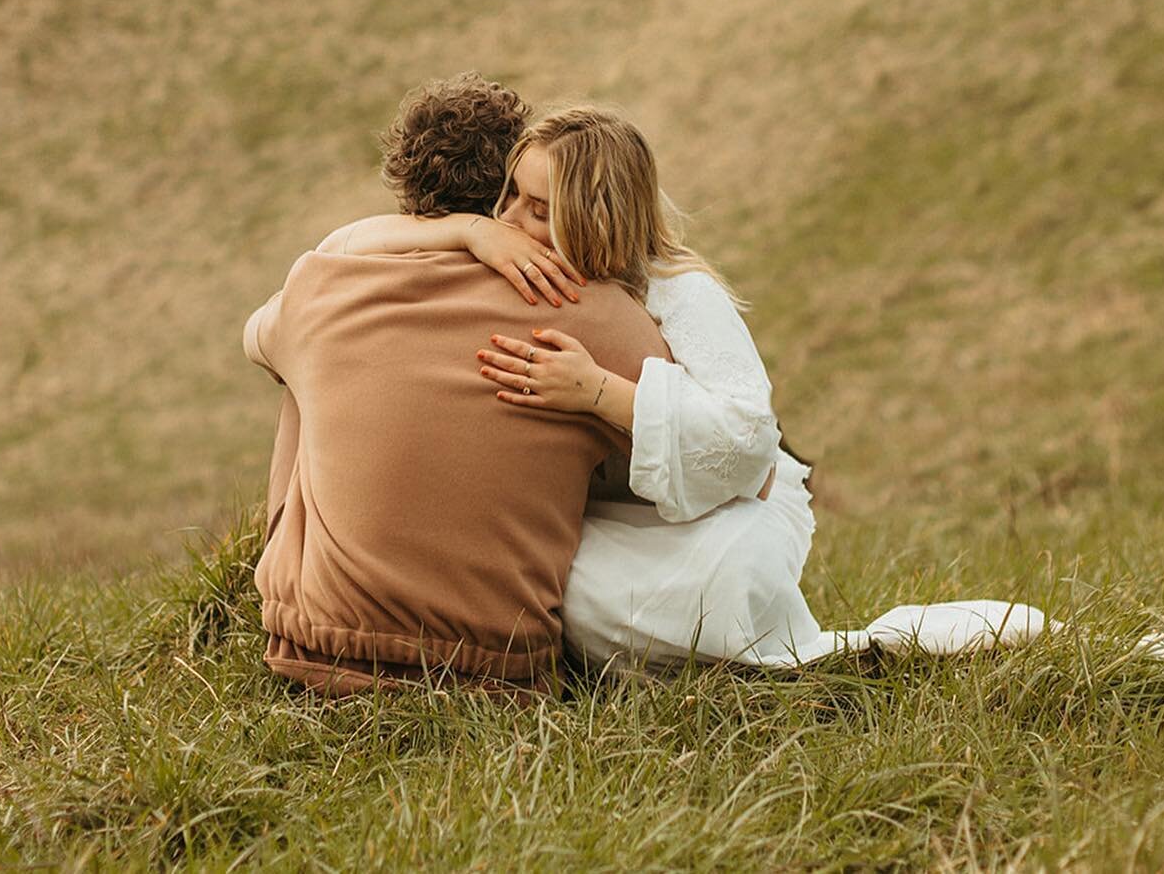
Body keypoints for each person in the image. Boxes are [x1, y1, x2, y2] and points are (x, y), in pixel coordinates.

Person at [346, 102, 1065, 669]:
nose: (513, 219)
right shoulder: (505, 256)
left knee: (718, 577)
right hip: (611, 523)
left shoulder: (682, 295)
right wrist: (469, 234)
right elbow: (335, 252)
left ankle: (811, 659)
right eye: (511, 198)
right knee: (567, 590)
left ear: (594, 217)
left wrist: (598, 392)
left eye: (538, 209)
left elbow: (748, 443)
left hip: (722, 513)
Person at [241, 74, 671, 697]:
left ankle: (298, 586)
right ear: (507, 185)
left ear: (407, 198)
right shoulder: (602, 312)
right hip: (502, 666)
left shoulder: (325, 281)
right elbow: (693, 442)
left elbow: (255, 335)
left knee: (297, 370)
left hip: (316, 647)